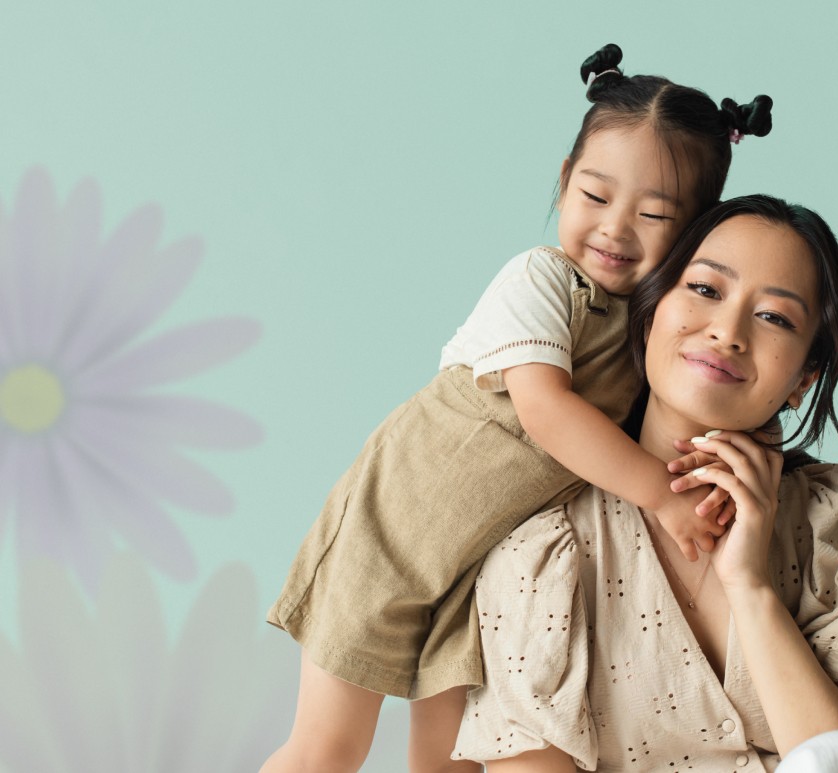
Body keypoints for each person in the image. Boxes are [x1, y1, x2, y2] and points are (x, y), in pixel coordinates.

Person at [260, 46, 774, 773]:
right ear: (564, 183)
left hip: (478, 573)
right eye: (595, 197)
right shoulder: (541, 281)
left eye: (654, 214)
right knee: (328, 748)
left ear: (696, 232)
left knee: (450, 762)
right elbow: (544, 411)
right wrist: (664, 496)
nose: (615, 229)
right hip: (393, 533)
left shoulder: (657, 334)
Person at [453, 195, 838, 772]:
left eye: (775, 318)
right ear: (650, 313)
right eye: (705, 289)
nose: (728, 332)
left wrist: (751, 588)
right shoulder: (541, 550)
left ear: (804, 377)